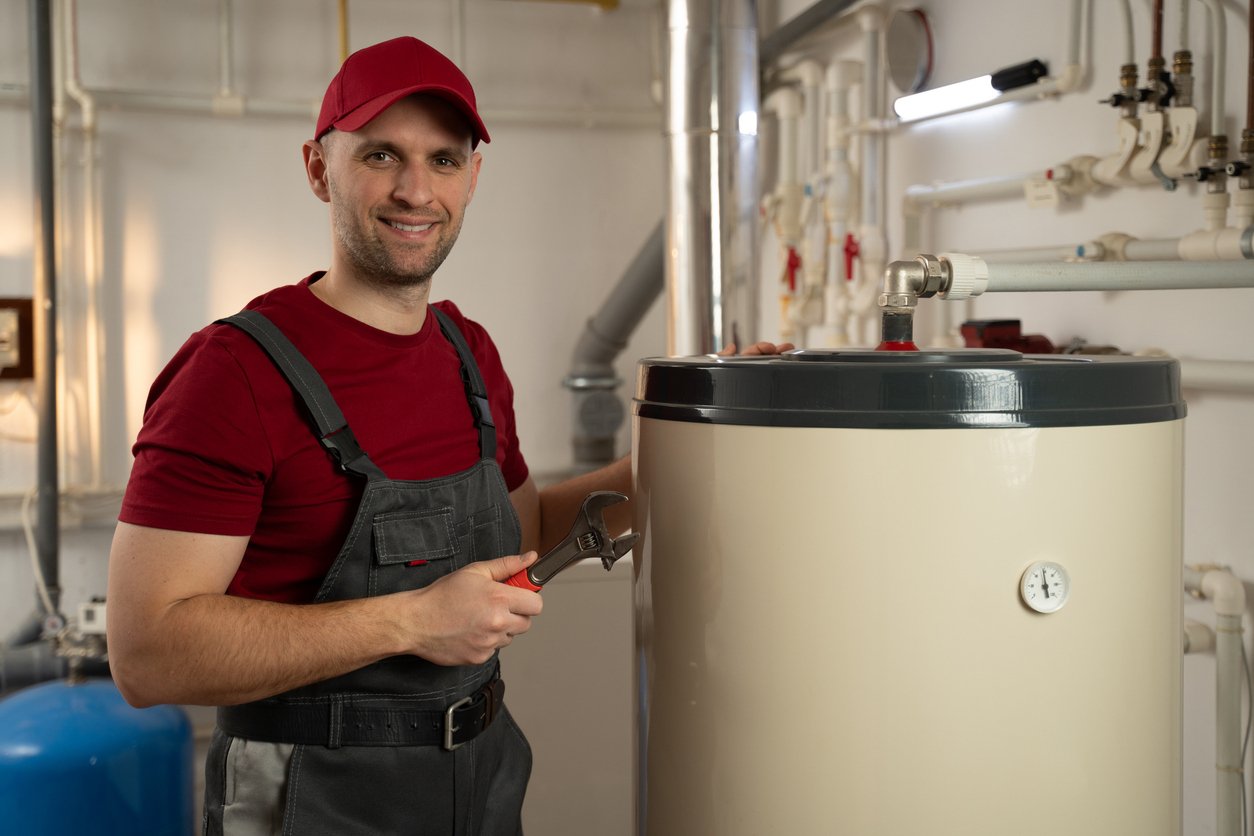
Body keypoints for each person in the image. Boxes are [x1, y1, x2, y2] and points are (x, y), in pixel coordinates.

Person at [106, 35, 788, 836]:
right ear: (319, 170)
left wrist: (696, 447)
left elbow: (522, 535)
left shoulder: (469, 352)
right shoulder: (232, 373)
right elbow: (146, 653)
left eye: (443, 160)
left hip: (483, 782)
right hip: (312, 803)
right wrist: (414, 620)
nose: (415, 190)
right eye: (381, 155)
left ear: (472, 178)